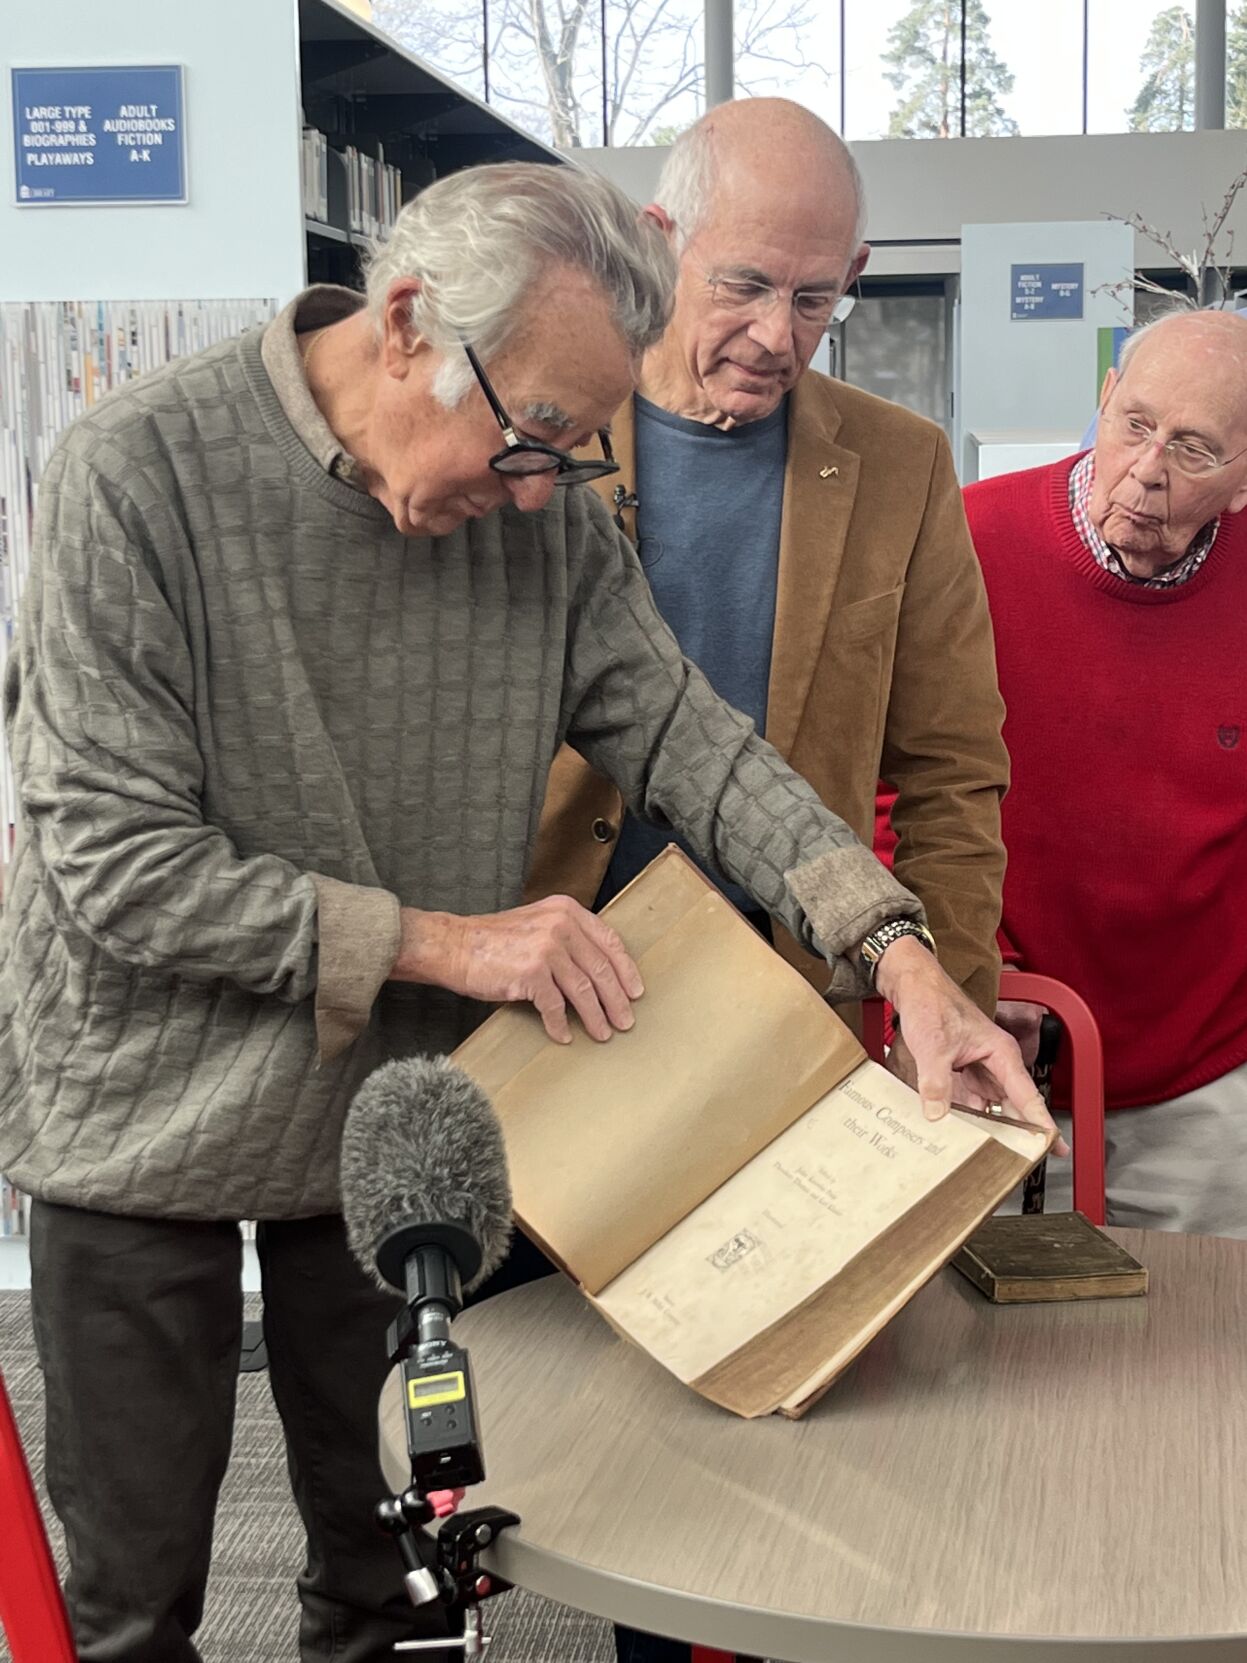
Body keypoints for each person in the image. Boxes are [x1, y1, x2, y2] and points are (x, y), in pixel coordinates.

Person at [0, 161, 1052, 1663]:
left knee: (397, 1574)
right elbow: (112, 855)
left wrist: (898, 954)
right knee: (136, 1596)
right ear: (409, 323)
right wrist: (448, 941)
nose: (539, 483)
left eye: (569, 445)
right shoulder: (135, 471)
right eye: (534, 435)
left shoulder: (542, 512)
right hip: (129, 1110)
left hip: (372, 1120)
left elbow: (694, 742)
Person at [526, 101, 1012, 1110]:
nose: (773, 334)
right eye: (743, 285)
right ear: (660, 242)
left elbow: (951, 770)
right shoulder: (539, 435)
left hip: (782, 1006)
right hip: (534, 994)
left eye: (812, 300)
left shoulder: (899, 466)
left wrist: (948, 1001)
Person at [967, 306, 1247, 1236]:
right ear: (1103, 401)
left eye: (1195, 449)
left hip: (1205, 1080)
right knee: (973, 1359)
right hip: (989, 1041)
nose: (1146, 469)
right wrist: (969, 961)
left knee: (1195, 1355)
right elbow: (894, 780)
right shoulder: (969, 539)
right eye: (1134, 424)